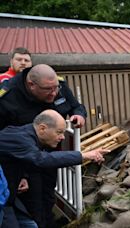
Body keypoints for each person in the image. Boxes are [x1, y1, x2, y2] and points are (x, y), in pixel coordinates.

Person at [0, 64, 87, 227]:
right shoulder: (8, 96)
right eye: (48, 90)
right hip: (20, 162)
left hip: (49, 157)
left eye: (56, 88)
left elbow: (77, 106)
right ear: (31, 85)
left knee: (47, 197)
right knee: (31, 205)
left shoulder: (57, 85)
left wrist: (79, 115)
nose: (54, 93)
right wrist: (19, 175)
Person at [0, 110, 108, 228]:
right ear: (42, 129)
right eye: (59, 132)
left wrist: (22, 176)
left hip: (8, 196)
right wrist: (83, 155)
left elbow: (15, 159)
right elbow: (41, 159)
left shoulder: (25, 135)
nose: (62, 137)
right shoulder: (21, 139)